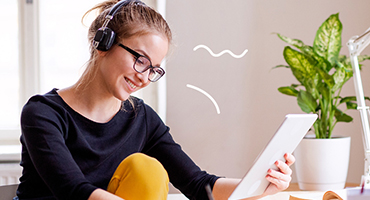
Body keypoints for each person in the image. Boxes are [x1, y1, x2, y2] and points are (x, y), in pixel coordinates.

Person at [15, 0, 295, 200]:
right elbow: (73, 190)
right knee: (145, 168)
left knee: (146, 170)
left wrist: (260, 186)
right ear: (104, 44)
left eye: (154, 69)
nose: (145, 77)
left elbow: (199, 185)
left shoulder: (141, 118)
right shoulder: (43, 113)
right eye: (140, 60)